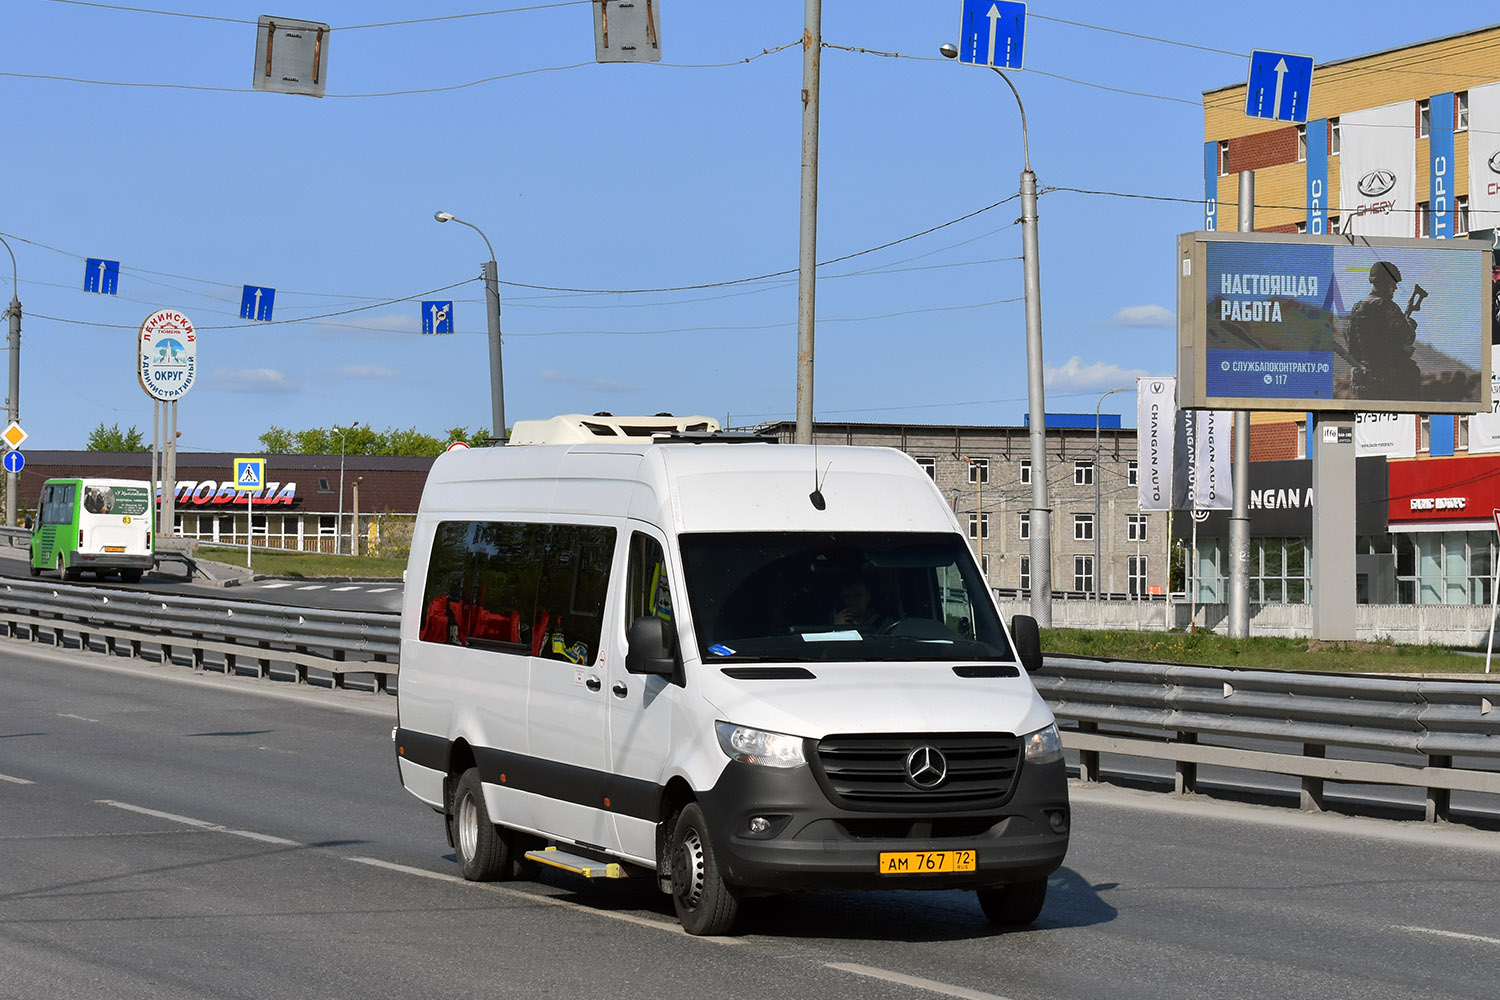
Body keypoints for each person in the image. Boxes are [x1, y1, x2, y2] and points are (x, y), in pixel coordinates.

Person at [1346, 260, 1421, 399]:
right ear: (1383, 284)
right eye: (1393, 285)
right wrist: (1409, 322)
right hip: (1388, 380)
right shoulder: (1387, 306)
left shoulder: (1357, 307)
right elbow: (1407, 337)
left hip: (1362, 381)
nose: (1395, 289)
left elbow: (1352, 347)